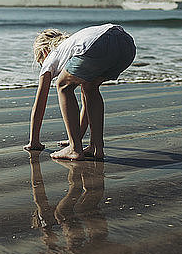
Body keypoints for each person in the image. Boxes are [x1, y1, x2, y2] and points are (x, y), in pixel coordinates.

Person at [24, 24, 136, 160]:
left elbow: (40, 104)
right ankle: (96, 148)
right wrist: (77, 136)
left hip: (99, 43)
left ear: (43, 52)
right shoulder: (72, 46)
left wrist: (34, 141)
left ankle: (74, 149)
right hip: (126, 45)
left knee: (63, 85)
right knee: (90, 88)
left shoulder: (51, 56)